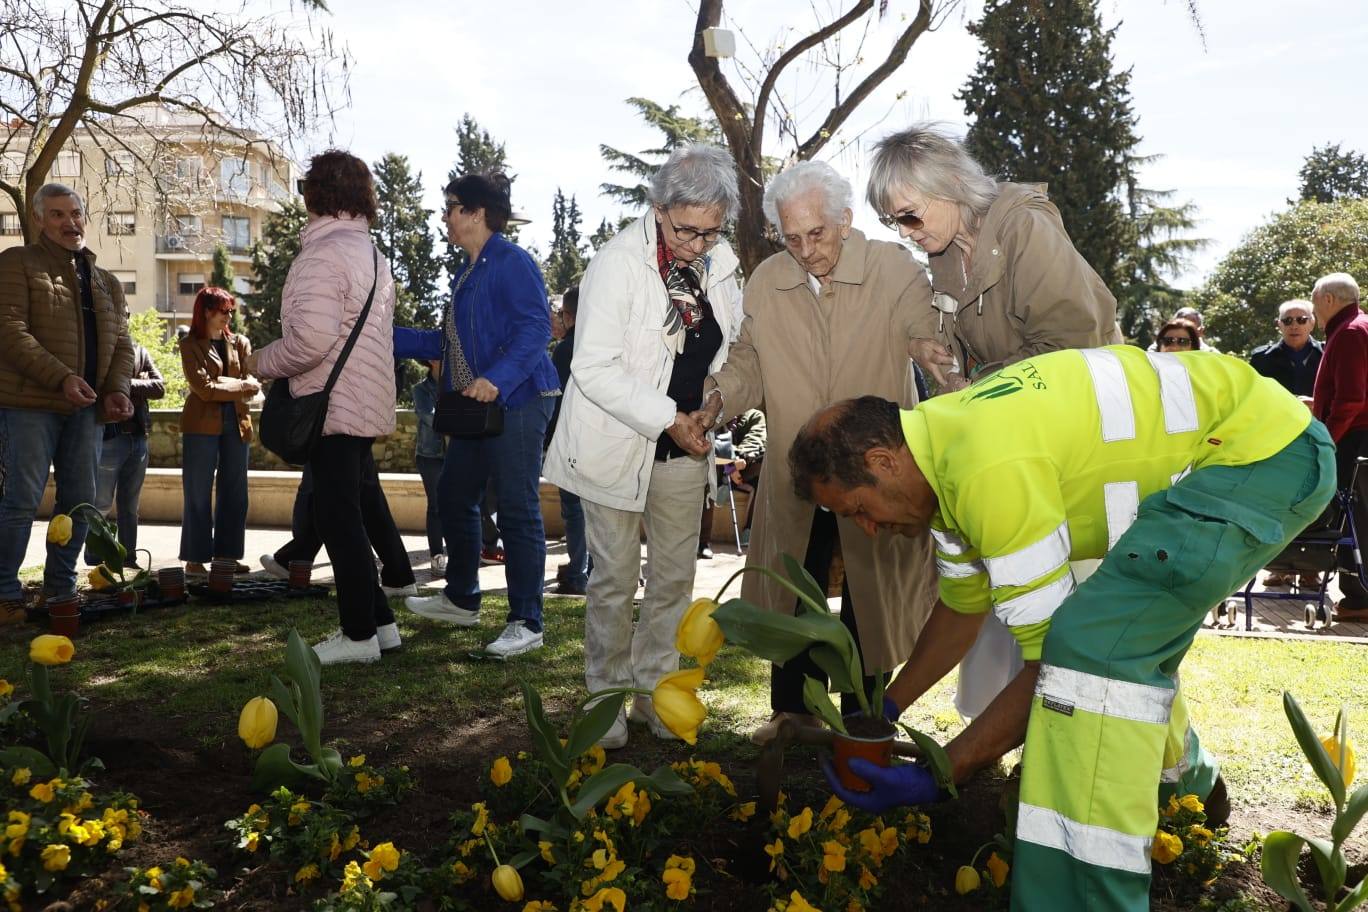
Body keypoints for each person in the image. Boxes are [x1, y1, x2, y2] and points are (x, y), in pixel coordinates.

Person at [790, 347, 1335, 911]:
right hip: (1247, 451)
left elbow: (1048, 667)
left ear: (882, 462)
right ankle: (1190, 793)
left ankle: (1093, 894)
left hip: (1263, 456)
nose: (868, 530)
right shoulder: (942, 455)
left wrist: (943, 772)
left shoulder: (985, 468)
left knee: (1089, 654)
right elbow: (960, 610)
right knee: (1118, 634)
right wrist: (886, 709)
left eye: (857, 509)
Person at [864, 123, 1123, 722]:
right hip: (1019, 439)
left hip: (1083, 439)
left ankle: (1143, 754)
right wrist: (944, 366)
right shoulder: (946, 256)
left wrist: (975, 385)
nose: (906, 233)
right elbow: (975, 367)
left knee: (1079, 599)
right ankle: (993, 725)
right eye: (893, 224)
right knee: (1001, 584)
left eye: (909, 216)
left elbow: (1070, 349)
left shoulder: (1023, 227)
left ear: (952, 185)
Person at [694, 159, 937, 745]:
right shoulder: (768, 281)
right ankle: (792, 711)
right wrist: (716, 400)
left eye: (817, 233)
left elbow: (923, 331)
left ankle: (865, 714)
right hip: (798, 471)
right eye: (791, 236)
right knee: (794, 581)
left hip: (875, 470)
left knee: (870, 591)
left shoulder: (892, 268)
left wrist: (937, 357)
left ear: (846, 220)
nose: (804, 249)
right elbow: (747, 361)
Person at [544, 143, 741, 748]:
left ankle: (659, 694)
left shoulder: (723, 263)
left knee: (675, 582)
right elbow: (593, 368)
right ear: (658, 209)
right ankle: (605, 701)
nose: (698, 245)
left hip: (686, 447)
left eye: (711, 232)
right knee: (613, 580)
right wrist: (668, 418)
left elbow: (730, 349)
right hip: (619, 444)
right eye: (687, 230)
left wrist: (714, 404)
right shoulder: (616, 263)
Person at [398, 172, 559, 658]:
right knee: (454, 494)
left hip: (521, 398)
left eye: (450, 207)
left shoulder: (512, 262)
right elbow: (444, 343)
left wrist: (498, 378)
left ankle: (527, 620)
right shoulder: (467, 272)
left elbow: (536, 328)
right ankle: (463, 598)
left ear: (476, 213)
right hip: (475, 408)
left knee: (516, 507)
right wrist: (376, 333)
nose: (444, 217)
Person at [251, 150, 400, 664]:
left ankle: (358, 635)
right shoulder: (372, 254)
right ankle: (381, 626)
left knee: (340, 522)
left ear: (316, 194)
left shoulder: (323, 254)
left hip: (332, 405)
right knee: (347, 515)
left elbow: (311, 340)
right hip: (360, 402)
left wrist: (260, 360)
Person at [0, 183, 134, 621]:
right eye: (57, 214)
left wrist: (117, 390)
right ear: (39, 219)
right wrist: (62, 378)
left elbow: (122, 345)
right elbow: (9, 330)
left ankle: (60, 588)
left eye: (75, 213)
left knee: (79, 502)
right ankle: (4, 590)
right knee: (21, 498)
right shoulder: (17, 263)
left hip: (86, 410)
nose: (69, 222)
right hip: (29, 405)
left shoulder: (106, 281)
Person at [178, 287, 256, 577]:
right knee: (197, 490)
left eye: (231, 310)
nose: (229, 316)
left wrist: (225, 383)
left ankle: (228, 556)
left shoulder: (240, 342)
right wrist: (239, 386)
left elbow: (251, 380)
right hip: (200, 425)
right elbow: (204, 390)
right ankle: (195, 559)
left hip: (238, 422)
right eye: (224, 310)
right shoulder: (190, 344)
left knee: (235, 491)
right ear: (207, 311)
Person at [259, 464, 416, 598]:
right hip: (355, 433)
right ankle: (396, 577)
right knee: (361, 493)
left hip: (338, 433)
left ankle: (380, 580)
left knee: (336, 493)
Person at [1309, 273, 1368, 621]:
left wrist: (1326, 441)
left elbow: (1350, 399)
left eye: (1315, 301)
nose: (1314, 308)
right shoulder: (1357, 327)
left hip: (1354, 436)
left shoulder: (1349, 333)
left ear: (1328, 300)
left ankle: (1358, 598)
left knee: (1352, 515)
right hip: (1357, 433)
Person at [85, 341, 164, 568]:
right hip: (110, 437)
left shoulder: (140, 351)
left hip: (138, 438)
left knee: (130, 505)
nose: (124, 318)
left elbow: (159, 387)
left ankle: (128, 558)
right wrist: (138, 384)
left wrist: (122, 384)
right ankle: (95, 559)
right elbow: (99, 386)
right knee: (100, 503)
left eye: (127, 314)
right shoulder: (101, 350)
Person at [546, 286, 588, 596]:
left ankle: (577, 572)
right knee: (599, 511)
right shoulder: (604, 345)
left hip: (572, 440)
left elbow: (556, 400)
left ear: (569, 315)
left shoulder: (565, 350)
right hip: (602, 440)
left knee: (574, 511)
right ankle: (599, 569)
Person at [697, 408, 766, 556]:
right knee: (709, 470)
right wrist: (730, 463)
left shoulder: (753, 415)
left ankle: (749, 530)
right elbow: (709, 443)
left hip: (743, 466)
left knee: (763, 469)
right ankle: (702, 543)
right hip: (717, 464)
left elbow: (756, 440)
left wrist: (738, 460)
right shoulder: (714, 414)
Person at [412, 358, 448, 576]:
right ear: (433, 362)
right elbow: (429, 417)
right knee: (436, 506)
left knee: (457, 506)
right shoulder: (420, 390)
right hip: (430, 456)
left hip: (457, 453)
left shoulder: (460, 385)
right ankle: (437, 556)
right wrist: (458, 420)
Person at [1250, 299, 1322, 397]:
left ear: (1312, 324)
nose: (1294, 326)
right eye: (1287, 321)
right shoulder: (1261, 360)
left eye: (1301, 320)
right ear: (1280, 325)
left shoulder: (1328, 355)